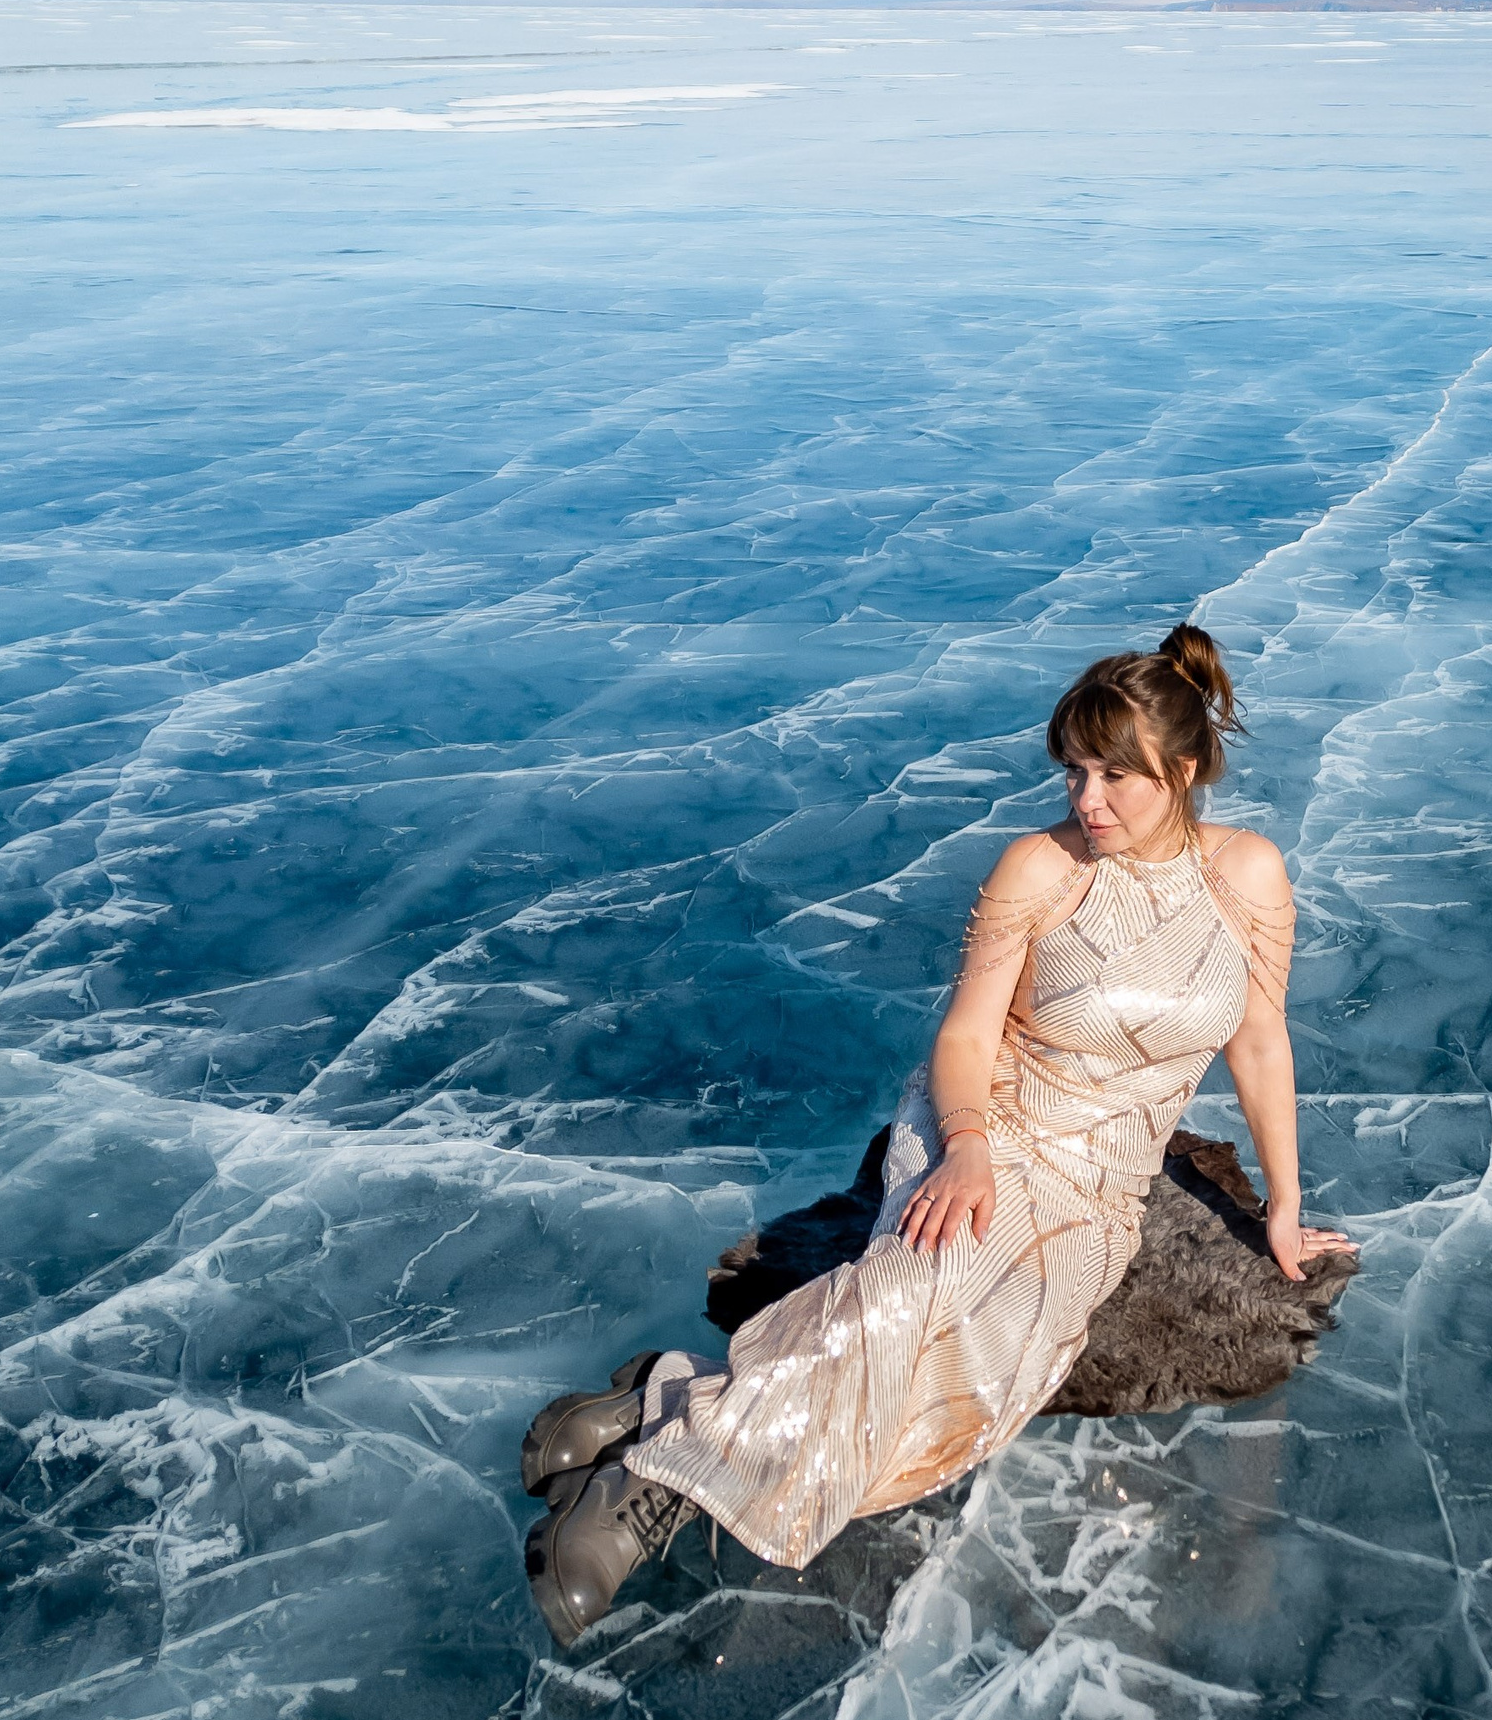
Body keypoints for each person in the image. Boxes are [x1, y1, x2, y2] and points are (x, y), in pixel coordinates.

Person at [521, 624, 1350, 1644]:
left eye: (1113, 776)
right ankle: (651, 1487)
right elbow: (964, 1034)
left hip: (1102, 1182)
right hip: (993, 1119)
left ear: (1180, 771)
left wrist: (1285, 1211)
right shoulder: (1038, 870)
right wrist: (962, 1145)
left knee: (989, 1366)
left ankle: (665, 1398)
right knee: (916, 1288)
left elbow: (1260, 1043)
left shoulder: (1250, 875)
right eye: (1074, 771)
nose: (1085, 800)